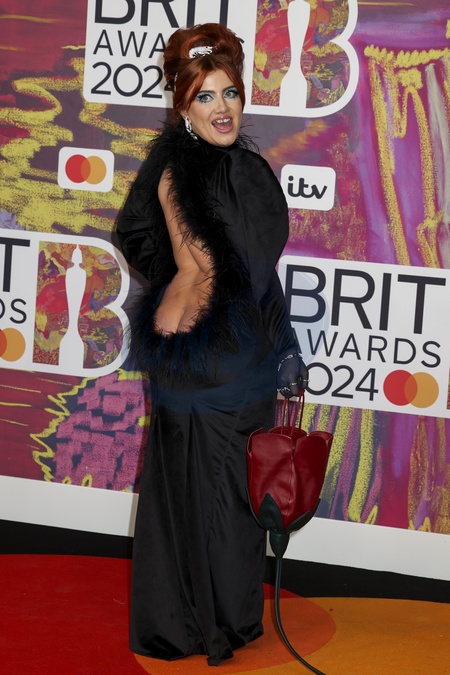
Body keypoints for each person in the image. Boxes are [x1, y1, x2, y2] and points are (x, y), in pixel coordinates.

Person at [116, 23, 308, 667]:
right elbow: (253, 276)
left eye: (230, 93)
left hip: (174, 351)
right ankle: (225, 626)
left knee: (175, 495)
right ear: (183, 105)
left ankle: (173, 628)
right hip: (226, 357)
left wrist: (179, 279)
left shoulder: (166, 165)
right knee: (227, 497)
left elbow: (133, 232)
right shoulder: (246, 172)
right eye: (205, 96)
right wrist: (283, 341)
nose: (222, 108)